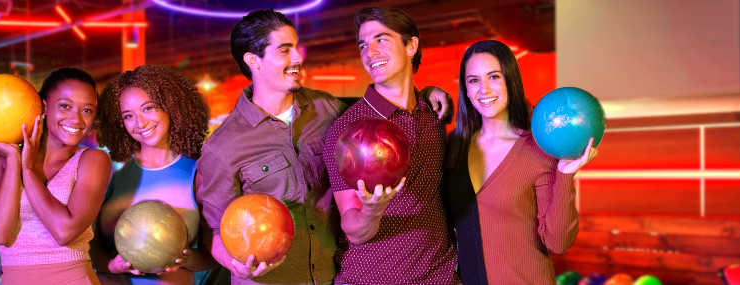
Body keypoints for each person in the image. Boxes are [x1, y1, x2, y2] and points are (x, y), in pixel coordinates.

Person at [194, 8, 452, 285]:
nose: (298, 58)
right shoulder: (223, 146)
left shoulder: (328, 109)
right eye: (285, 50)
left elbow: (383, 111)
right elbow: (214, 230)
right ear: (253, 61)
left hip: (330, 275)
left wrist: (427, 92)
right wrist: (236, 265)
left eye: (296, 47)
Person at [443, 40, 598, 284]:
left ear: (510, 80)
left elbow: (558, 242)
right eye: (473, 80)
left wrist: (565, 175)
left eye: (494, 77)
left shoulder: (538, 150)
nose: (484, 89)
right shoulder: (453, 149)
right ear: (465, 88)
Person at [322, 6, 458, 284]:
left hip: (440, 276)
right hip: (373, 277)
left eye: (380, 39)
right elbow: (353, 230)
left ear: (411, 46)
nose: (369, 53)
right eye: (363, 45)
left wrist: (434, 91)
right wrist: (371, 210)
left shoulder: (433, 114)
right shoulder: (348, 132)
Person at [0, 67, 112, 285]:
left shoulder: (92, 160)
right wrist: (14, 161)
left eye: (87, 110)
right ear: (44, 105)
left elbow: (64, 231)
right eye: (65, 106)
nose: (77, 120)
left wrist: (28, 171)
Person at [89, 65, 219, 284]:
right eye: (128, 115)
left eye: (148, 108)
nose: (140, 123)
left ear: (170, 106)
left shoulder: (198, 172)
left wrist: (183, 257)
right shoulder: (110, 172)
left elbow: (212, 256)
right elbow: (86, 247)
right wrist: (111, 265)